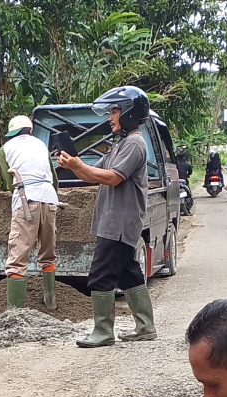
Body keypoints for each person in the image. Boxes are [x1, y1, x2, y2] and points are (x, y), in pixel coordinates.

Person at [56, 85, 157, 347]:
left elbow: (113, 178)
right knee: (128, 273)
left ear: (129, 113)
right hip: (114, 220)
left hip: (119, 222)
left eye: (114, 112)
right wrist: (73, 164)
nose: (110, 117)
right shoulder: (120, 144)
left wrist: (78, 164)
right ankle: (145, 327)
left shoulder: (134, 144)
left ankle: (103, 331)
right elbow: (93, 175)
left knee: (100, 274)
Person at [0, 115, 60, 310]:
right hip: (49, 199)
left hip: (26, 200)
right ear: (30, 131)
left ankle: (15, 313)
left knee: (18, 257)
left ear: (11, 134)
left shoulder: (5, 149)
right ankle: (51, 304)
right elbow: (55, 179)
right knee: (48, 254)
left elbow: (9, 183)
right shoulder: (41, 145)